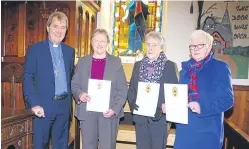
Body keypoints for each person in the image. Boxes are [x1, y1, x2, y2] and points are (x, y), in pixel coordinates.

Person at [168, 30, 234, 149]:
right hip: (185, 132)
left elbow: (227, 100)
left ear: (208, 47)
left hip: (208, 133)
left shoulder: (220, 67)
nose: (196, 49)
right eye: (193, 46)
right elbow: (180, 98)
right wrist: (170, 106)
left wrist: (202, 107)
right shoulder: (184, 71)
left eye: (200, 45)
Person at [23, 11, 75, 149]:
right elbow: (28, 78)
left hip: (64, 106)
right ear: (48, 28)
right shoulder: (35, 49)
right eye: (55, 26)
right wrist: (33, 103)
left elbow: (70, 77)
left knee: (61, 145)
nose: (59, 31)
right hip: (43, 106)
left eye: (63, 27)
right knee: (40, 145)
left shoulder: (70, 51)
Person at [71, 29, 128, 149]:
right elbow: (74, 84)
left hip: (108, 113)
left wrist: (115, 109)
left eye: (102, 41)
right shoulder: (83, 61)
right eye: (96, 40)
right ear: (91, 42)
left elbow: (123, 90)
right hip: (87, 112)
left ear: (107, 43)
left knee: (107, 146)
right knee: (88, 146)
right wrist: (80, 94)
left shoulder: (116, 62)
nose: (99, 44)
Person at [127, 31, 178, 149]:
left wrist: (166, 107)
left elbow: (174, 92)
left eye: (154, 45)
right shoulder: (138, 65)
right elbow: (132, 90)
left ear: (161, 48)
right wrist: (133, 104)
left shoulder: (169, 66)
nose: (150, 48)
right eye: (148, 44)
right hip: (141, 118)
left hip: (159, 119)